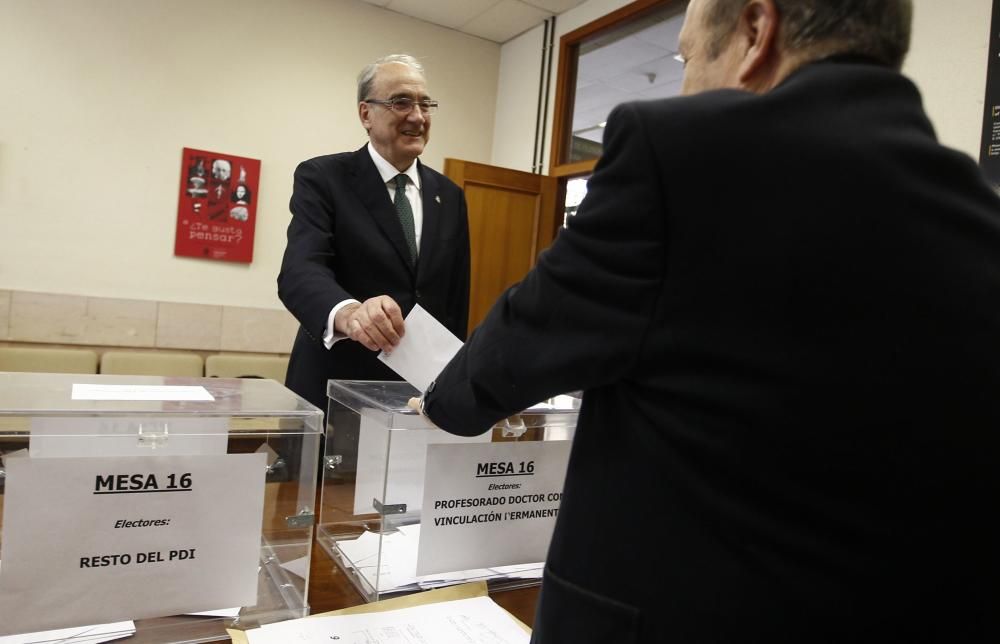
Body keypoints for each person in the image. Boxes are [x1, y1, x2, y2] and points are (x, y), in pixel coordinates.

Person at [416, 1, 1000, 641]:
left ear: (756, 31)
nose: (685, 81)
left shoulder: (676, 155)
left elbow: (491, 374)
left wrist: (440, 398)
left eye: (689, 57)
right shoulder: (978, 215)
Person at [278, 54, 470, 417]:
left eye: (425, 104)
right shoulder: (323, 178)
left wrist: (454, 384)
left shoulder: (451, 196)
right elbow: (300, 271)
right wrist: (350, 312)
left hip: (418, 398)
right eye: (401, 102)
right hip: (334, 392)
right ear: (366, 113)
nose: (417, 116)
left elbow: (455, 302)